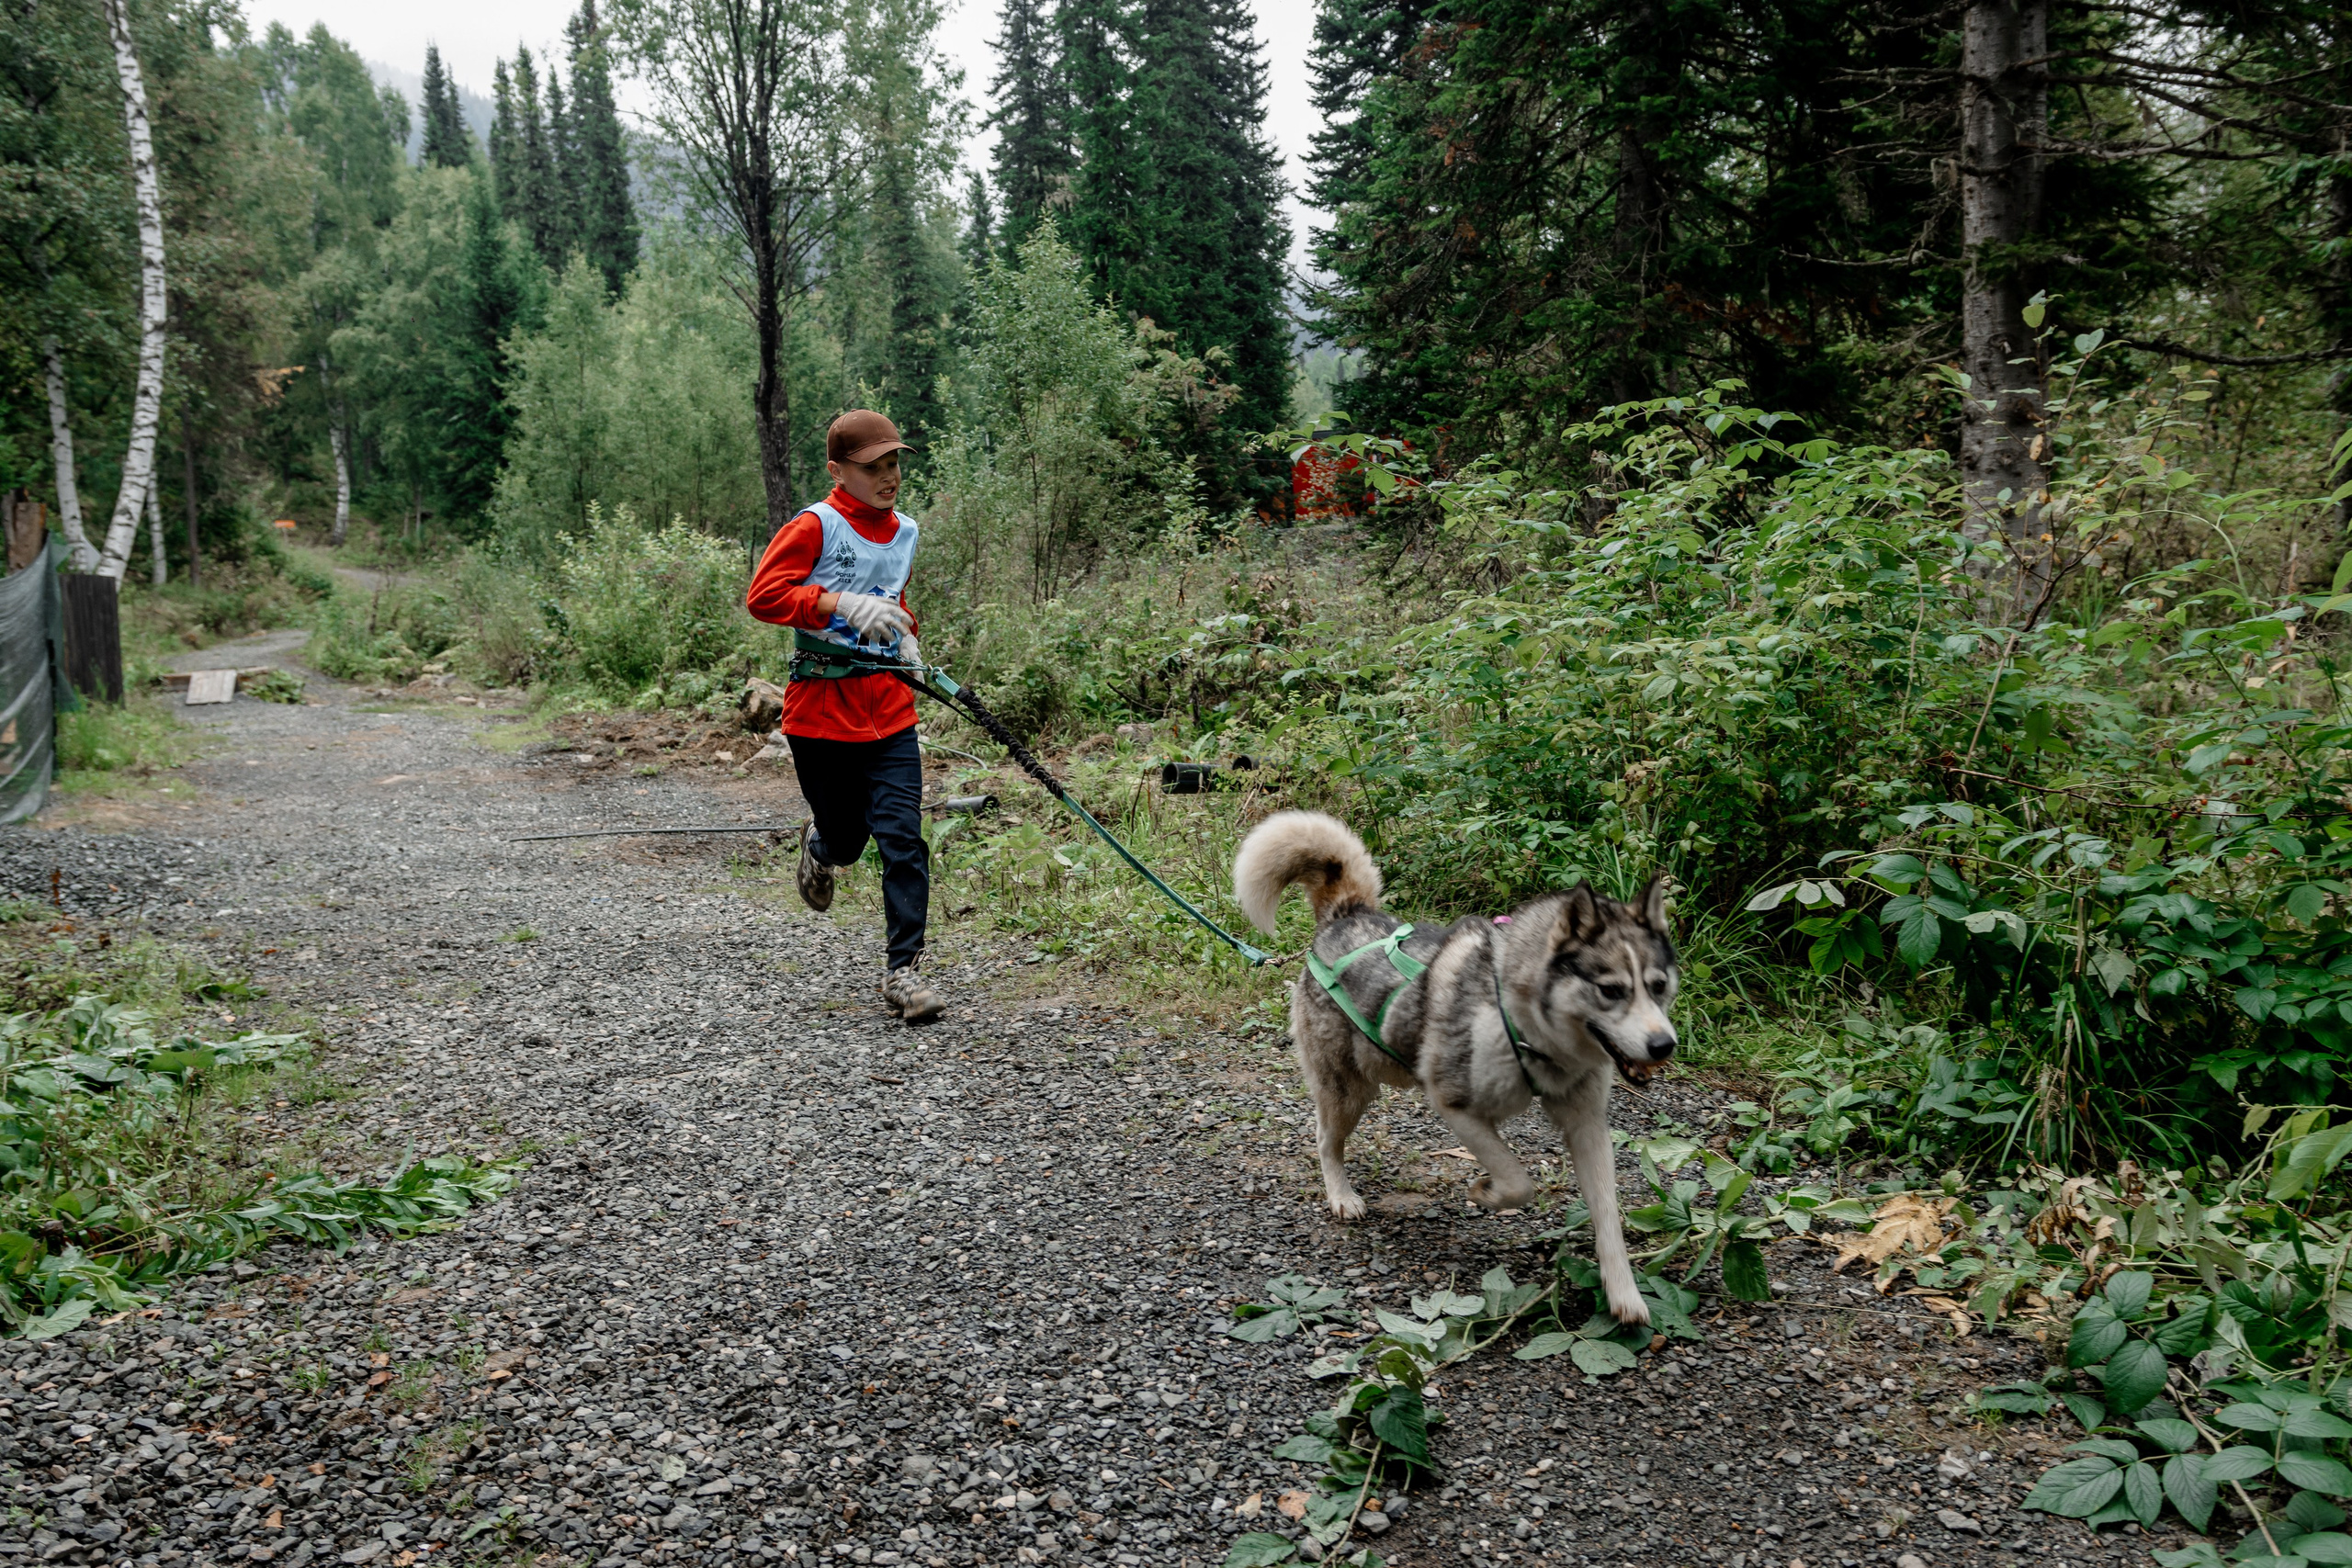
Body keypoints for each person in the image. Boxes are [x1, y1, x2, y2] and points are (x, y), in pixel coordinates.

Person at [745, 410, 943, 1023]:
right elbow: (763, 596)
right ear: (838, 470)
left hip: (888, 708)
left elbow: (895, 597)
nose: (889, 478)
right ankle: (822, 844)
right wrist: (835, 602)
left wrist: (906, 641)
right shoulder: (816, 525)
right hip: (821, 713)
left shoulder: (905, 529)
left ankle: (903, 971)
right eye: (872, 468)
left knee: (902, 838)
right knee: (851, 840)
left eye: (894, 464)